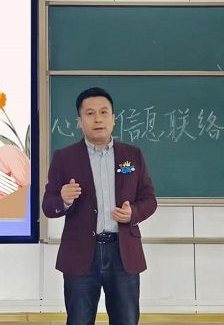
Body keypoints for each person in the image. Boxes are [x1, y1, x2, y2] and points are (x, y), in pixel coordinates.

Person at [42, 87, 157, 325]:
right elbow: (48, 206)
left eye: (104, 112)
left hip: (123, 254)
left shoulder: (133, 155)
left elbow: (149, 200)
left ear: (113, 119)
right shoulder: (64, 157)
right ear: (79, 121)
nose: (98, 119)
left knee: (126, 320)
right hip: (81, 254)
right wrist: (63, 199)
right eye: (90, 113)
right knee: (79, 321)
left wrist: (132, 213)